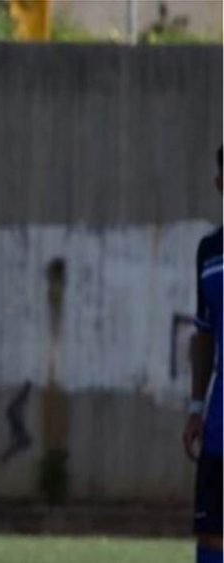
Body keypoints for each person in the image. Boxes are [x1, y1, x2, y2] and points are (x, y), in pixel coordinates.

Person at [183, 145, 223, 563]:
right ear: (220, 183)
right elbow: (205, 334)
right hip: (219, 426)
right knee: (212, 538)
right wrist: (196, 407)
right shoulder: (210, 252)